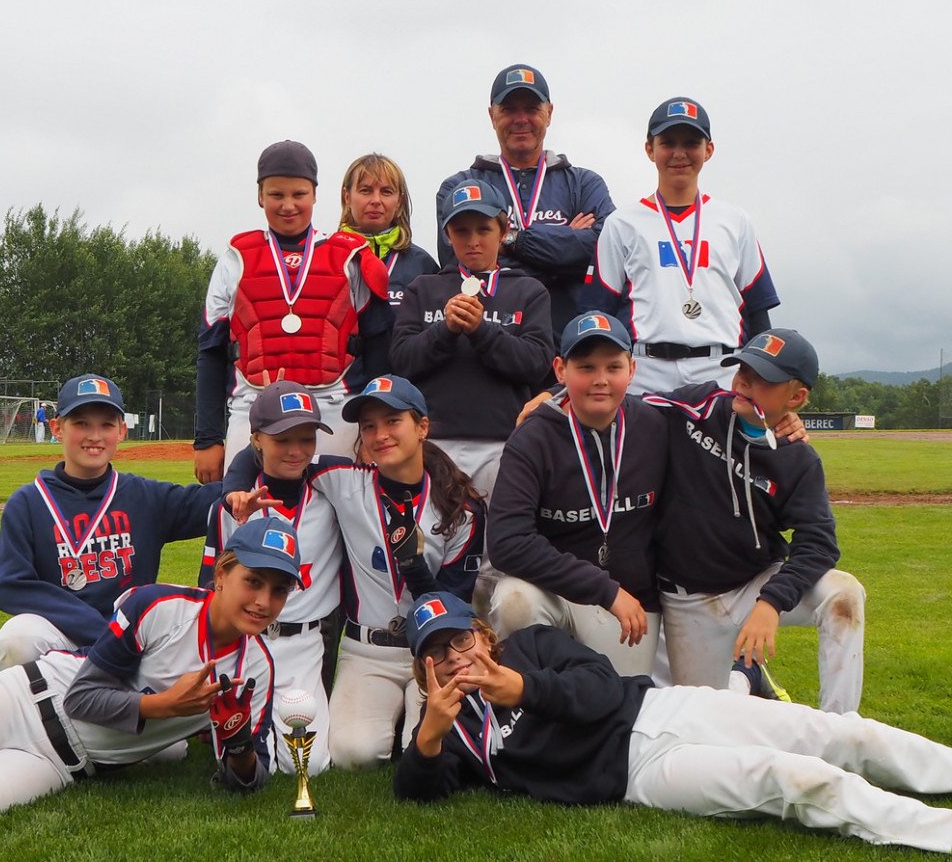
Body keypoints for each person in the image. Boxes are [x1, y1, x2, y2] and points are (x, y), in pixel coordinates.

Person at [395, 591, 952, 854]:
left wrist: (524, 689)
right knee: (793, 778)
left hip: (663, 707)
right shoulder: (448, 727)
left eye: (460, 639)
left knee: (843, 733)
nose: (454, 658)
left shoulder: (528, 647)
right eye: (436, 652)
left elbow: (601, 687)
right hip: (639, 774)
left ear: (482, 635)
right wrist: (428, 738)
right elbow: (418, 794)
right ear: (425, 667)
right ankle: (935, 832)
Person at [0, 516, 303, 828]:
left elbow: (250, 781)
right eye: (253, 581)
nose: (263, 602)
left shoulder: (257, 669)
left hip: (56, 766)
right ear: (222, 573)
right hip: (23, 700)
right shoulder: (161, 606)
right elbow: (79, 698)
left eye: (279, 591)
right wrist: (164, 706)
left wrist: (237, 745)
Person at [642, 329, 865, 713]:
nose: (744, 381)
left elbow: (819, 542)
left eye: (763, 378)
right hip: (687, 598)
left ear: (796, 398)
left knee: (844, 594)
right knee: (706, 726)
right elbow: (618, 402)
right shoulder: (698, 406)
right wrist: (554, 396)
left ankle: (838, 729)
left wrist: (771, 603)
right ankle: (747, 676)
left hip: (756, 582)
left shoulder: (797, 459)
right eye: (742, 368)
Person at [307, 375, 485, 769]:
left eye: (392, 421)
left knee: (432, 748)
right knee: (356, 754)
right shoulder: (341, 480)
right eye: (368, 426)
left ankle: (409, 719)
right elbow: (275, 454)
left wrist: (413, 568)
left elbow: (452, 605)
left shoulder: (461, 509)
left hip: (434, 651)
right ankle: (396, 716)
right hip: (365, 649)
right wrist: (234, 484)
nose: (379, 434)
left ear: (422, 427)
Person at [0, 374, 222, 670]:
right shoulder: (28, 502)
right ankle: (39, 714)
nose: (94, 436)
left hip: (129, 634)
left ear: (122, 431)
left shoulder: (144, 496)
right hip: (62, 632)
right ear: (57, 428)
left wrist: (261, 438)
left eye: (106, 424)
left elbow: (218, 499)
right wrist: (97, 628)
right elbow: (9, 586)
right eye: (81, 423)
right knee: (16, 640)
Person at [194, 140, 393, 482]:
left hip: (335, 406)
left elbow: (379, 352)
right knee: (246, 516)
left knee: (338, 523)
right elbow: (211, 353)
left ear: (315, 195)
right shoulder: (235, 257)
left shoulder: (350, 257)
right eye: (276, 195)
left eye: (298, 194)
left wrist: (372, 429)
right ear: (260, 196)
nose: (288, 205)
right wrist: (208, 438)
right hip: (253, 403)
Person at [486, 312, 666, 676]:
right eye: (585, 367)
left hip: (632, 600)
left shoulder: (656, 424)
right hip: (558, 595)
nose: (600, 380)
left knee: (620, 715)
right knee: (513, 600)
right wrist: (604, 589)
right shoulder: (533, 437)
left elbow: (723, 412)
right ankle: (531, 701)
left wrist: (780, 423)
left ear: (631, 369)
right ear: (560, 369)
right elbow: (506, 542)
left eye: (613, 367)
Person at [582, 97, 780, 395]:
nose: (679, 153)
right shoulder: (622, 223)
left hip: (721, 367)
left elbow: (757, 309)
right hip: (646, 368)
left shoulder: (734, 220)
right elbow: (600, 310)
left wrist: (764, 379)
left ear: (708, 150)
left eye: (691, 143)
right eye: (668, 142)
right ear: (650, 149)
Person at [201, 380, 346, 775]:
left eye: (307, 438)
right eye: (282, 439)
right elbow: (209, 585)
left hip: (305, 644)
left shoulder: (331, 490)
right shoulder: (233, 505)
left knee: (310, 765)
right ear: (256, 440)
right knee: (245, 751)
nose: (297, 450)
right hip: (247, 644)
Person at [391, 177, 554, 502]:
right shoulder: (424, 289)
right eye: (462, 231)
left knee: (498, 547)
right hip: (433, 443)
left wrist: (482, 330)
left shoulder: (529, 291)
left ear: (503, 229)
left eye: (483, 229)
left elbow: (537, 365)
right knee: (436, 544)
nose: (473, 241)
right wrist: (444, 331)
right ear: (448, 235)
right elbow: (401, 363)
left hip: (505, 442)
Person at [437, 64, 614, 349]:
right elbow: (461, 266)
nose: (521, 119)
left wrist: (511, 239)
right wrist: (562, 256)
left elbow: (602, 254)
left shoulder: (584, 183)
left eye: (531, 108)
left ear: (549, 113)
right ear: (492, 115)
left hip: (570, 347)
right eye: (509, 110)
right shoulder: (460, 187)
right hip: (492, 347)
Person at [338, 153, 439, 309]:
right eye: (366, 190)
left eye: (386, 192)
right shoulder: (325, 258)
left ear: (399, 201)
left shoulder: (422, 265)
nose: (376, 200)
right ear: (347, 197)